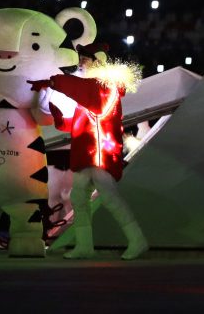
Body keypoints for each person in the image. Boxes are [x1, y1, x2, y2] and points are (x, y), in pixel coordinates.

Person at [30, 43, 147, 260]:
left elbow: (95, 105)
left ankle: (137, 240)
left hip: (99, 153)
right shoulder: (91, 90)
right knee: (79, 198)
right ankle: (85, 246)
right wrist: (58, 116)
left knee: (110, 198)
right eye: (81, 57)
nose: (81, 61)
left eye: (86, 57)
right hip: (87, 153)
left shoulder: (106, 86)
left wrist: (55, 82)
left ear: (98, 60)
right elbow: (79, 122)